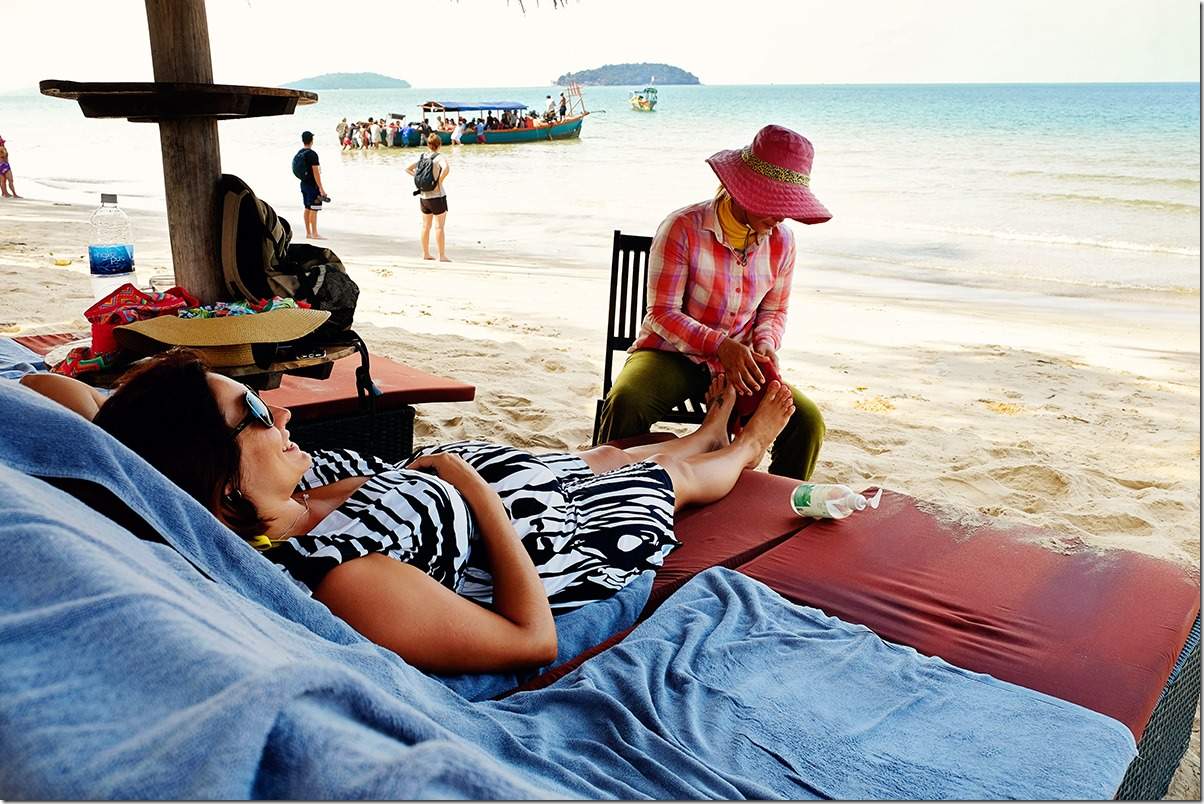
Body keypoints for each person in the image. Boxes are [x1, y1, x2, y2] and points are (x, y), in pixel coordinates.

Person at [22, 350, 795, 674]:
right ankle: (740, 447)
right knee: (659, 484)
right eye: (257, 408)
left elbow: (43, 391)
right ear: (221, 485)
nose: (283, 415)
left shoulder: (278, 493)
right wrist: (476, 492)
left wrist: (124, 422)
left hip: (487, 479)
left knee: (602, 457)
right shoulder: (344, 580)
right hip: (533, 537)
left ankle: (701, 431)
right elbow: (532, 640)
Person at [597, 124, 831, 480]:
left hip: (739, 364)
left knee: (808, 422)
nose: (782, 215)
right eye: (775, 203)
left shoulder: (783, 241)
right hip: (670, 354)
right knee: (627, 400)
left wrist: (765, 345)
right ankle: (599, 482)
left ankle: (777, 510)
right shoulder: (682, 227)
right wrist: (721, 345)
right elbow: (662, 314)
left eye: (788, 205)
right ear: (746, 191)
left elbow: (774, 310)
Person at [406, 133, 451, 262]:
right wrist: (439, 181)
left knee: (425, 226)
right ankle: (441, 256)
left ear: (428, 145)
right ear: (439, 145)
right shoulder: (439, 158)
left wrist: (417, 177)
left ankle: (425, 253)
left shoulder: (422, 157)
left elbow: (407, 169)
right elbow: (446, 168)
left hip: (424, 197)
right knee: (439, 227)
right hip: (437, 197)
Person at [293, 131, 328, 241]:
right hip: (312, 185)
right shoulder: (312, 154)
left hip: (303, 183)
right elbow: (316, 172)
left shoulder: (300, 153)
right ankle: (315, 233)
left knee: (307, 207)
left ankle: (308, 233)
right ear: (312, 140)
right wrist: (321, 189)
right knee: (314, 208)